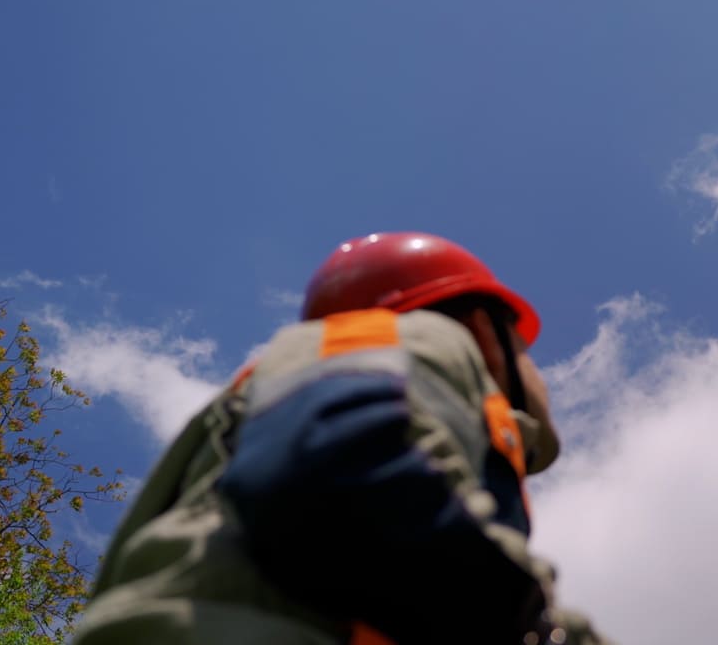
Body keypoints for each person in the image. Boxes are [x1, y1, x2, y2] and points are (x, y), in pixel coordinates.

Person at [73, 232, 606, 645]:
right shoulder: (414, 338)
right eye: (526, 349)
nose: (538, 372)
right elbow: (344, 470)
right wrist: (533, 626)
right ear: (484, 333)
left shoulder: (280, 400)